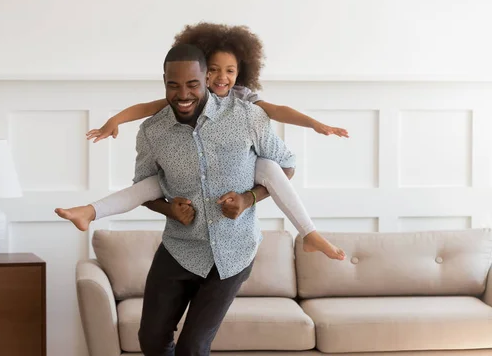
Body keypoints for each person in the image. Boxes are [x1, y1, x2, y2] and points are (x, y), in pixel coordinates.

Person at [55, 23, 346, 260]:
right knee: (146, 185)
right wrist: (114, 121)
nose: (222, 77)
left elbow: (277, 111)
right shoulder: (185, 96)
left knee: (270, 167)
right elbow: (147, 107)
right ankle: (90, 211)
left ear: (240, 73)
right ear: (203, 73)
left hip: (241, 168)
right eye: (215, 70)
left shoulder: (243, 103)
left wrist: (315, 124)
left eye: (230, 71)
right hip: (193, 173)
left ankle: (309, 233)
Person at [142, 43, 297, 355]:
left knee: (193, 347)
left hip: (233, 252)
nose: (183, 93)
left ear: (204, 81)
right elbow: (144, 189)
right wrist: (169, 209)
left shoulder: (250, 117)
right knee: (151, 340)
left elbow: (286, 166)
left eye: (192, 84)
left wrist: (249, 198)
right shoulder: (153, 130)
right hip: (179, 249)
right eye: (174, 84)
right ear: (164, 81)